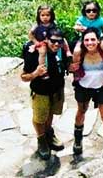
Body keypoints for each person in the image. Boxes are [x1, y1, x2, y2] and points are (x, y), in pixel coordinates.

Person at [21, 26, 69, 159]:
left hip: (57, 90)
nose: (56, 44)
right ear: (46, 39)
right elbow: (23, 77)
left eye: (59, 41)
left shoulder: (62, 51)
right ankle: (41, 139)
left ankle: (49, 133)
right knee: (39, 118)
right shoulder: (34, 53)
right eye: (53, 41)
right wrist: (36, 73)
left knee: (51, 114)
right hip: (40, 91)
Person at [72, 27, 103, 159]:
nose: (90, 43)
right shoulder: (79, 53)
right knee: (81, 111)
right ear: (83, 41)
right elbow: (72, 67)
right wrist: (72, 67)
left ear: (98, 41)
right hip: (83, 87)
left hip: (102, 87)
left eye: (93, 39)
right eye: (87, 40)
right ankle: (78, 141)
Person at [70, 1, 103, 76]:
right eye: (88, 11)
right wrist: (79, 28)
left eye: (94, 10)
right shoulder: (82, 19)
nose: (91, 13)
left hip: (98, 39)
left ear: (97, 11)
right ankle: (77, 69)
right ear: (84, 12)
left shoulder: (100, 20)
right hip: (84, 39)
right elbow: (76, 26)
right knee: (76, 51)